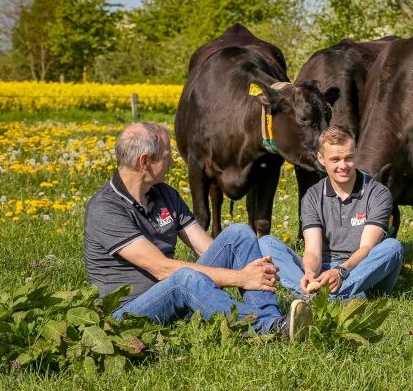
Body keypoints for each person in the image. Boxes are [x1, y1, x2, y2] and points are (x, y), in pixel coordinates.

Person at [83, 121, 312, 340]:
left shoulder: (165, 194)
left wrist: (248, 271)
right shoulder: (106, 208)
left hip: (172, 294)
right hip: (129, 314)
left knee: (239, 234)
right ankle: (268, 328)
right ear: (144, 162)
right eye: (166, 156)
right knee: (184, 278)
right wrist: (241, 278)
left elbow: (210, 248)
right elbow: (162, 269)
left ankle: (275, 320)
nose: (172, 162)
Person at [260, 126, 403, 298]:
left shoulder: (378, 193)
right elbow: (313, 251)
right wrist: (310, 272)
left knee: (392, 247)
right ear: (321, 158)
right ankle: (316, 292)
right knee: (267, 242)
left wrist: (340, 272)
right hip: (323, 269)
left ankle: (317, 297)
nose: (343, 166)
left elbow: (367, 247)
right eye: (335, 159)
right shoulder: (312, 196)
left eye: (348, 158)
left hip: (361, 271)